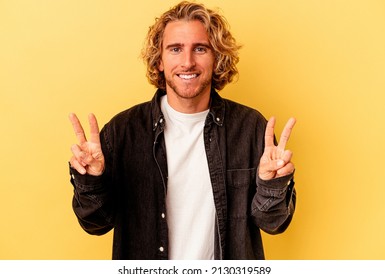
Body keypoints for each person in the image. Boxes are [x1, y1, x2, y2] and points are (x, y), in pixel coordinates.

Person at [68, 1, 297, 260]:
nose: (187, 62)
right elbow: (95, 223)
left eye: (200, 49)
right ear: (160, 61)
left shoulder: (251, 128)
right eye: (175, 49)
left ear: (217, 57)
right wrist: (91, 181)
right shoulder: (122, 132)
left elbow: (273, 223)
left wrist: (272, 185)